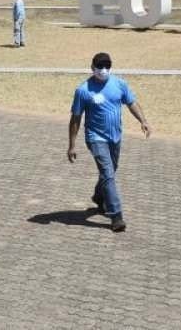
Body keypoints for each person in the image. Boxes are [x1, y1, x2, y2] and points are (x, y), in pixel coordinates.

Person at [67, 52, 152, 232]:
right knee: (107, 172)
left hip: (115, 137)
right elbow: (75, 118)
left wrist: (143, 121)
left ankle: (99, 196)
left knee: (110, 172)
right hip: (95, 138)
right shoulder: (83, 90)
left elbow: (132, 103)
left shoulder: (119, 84)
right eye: (100, 67)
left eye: (107, 67)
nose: (103, 70)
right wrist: (72, 145)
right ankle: (116, 215)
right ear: (92, 68)